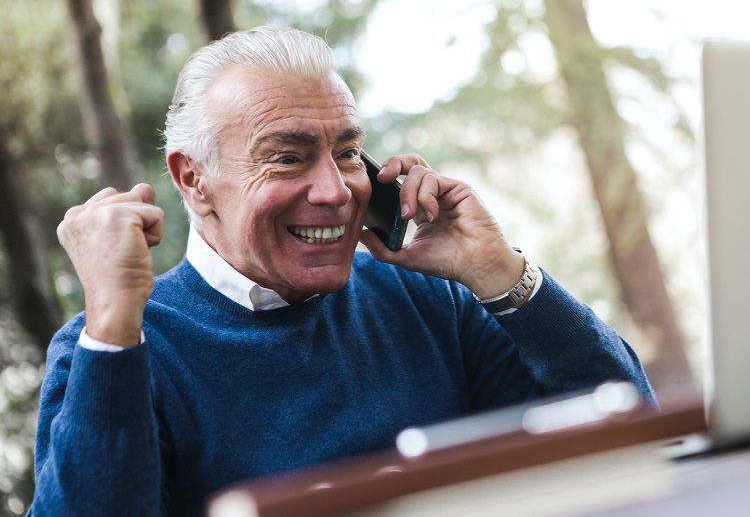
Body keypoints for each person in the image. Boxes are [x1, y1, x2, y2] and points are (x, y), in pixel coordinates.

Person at [30, 26, 655, 516]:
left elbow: (629, 434)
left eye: (348, 153)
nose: (335, 191)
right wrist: (113, 327)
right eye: (288, 158)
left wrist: (499, 272)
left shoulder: (431, 298)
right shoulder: (116, 348)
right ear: (193, 179)